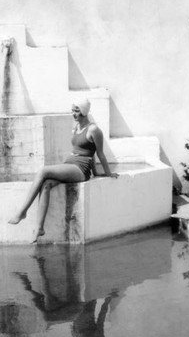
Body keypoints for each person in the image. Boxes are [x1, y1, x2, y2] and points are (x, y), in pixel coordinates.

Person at [8, 97, 119, 242]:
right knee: (46, 184)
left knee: (43, 171)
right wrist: (97, 172)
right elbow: (83, 149)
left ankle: (22, 212)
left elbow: (99, 154)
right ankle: (40, 228)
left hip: (80, 169)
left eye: (77, 110)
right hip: (70, 164)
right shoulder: (76, 126)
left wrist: (106, 173)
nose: (73, 113)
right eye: (72, 110)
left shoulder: (94, 129)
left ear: (84, 111)